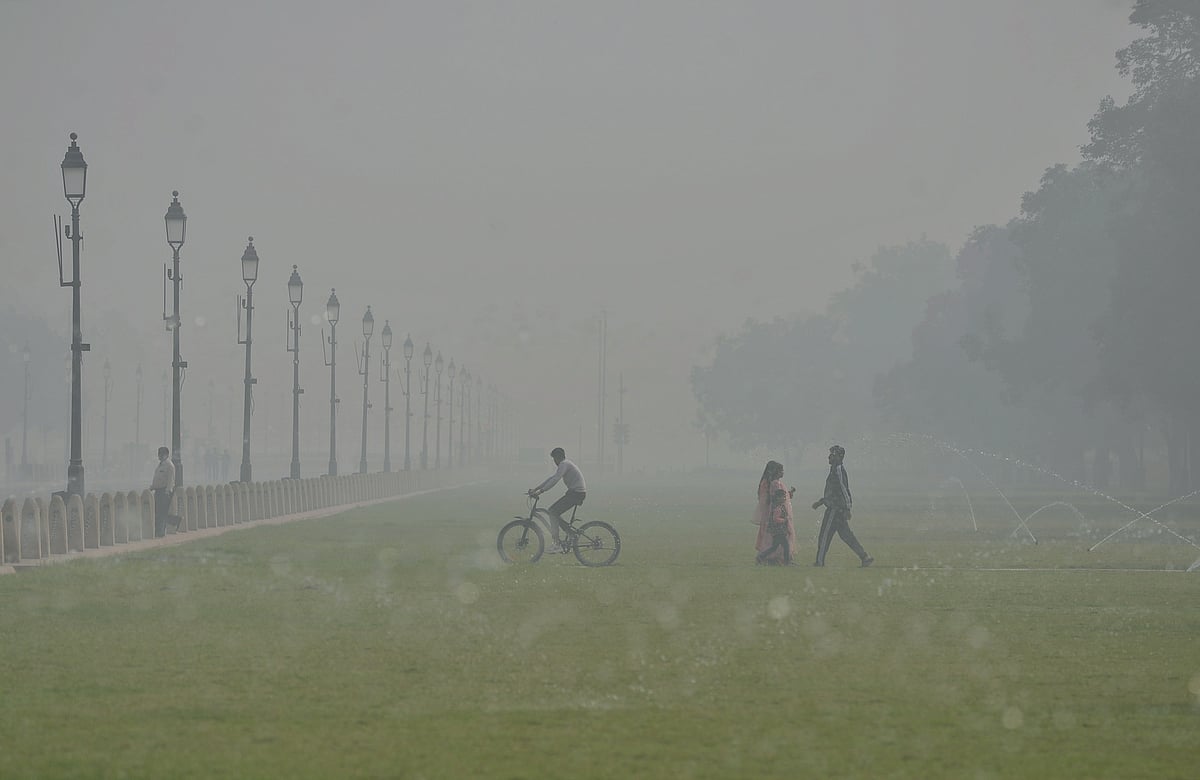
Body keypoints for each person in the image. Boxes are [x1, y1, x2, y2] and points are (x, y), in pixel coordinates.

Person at [811, 445, 873, 567]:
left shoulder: (838, 470)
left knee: (825, 535)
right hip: (838, 509)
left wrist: (848, 508)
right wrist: (821, 502)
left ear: (839, 457)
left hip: (834, 510)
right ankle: (864, 557)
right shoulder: (834, 469)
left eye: (832, 455)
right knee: (847, 536)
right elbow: (834, 491)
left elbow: (844, 489)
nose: (829, 457)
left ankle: (819, 561)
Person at [528, 447, 586, 554]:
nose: (554, 462)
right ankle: (570, 533)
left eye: (554, 459)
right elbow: (551, 478)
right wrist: (536, 489)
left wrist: (541, 491)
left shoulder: (564, 464)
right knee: (553, 512)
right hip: (575, 493)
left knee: (552, 512)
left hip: (576, 494)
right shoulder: (565, 464)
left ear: (557, 458)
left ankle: (557, 544)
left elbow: (555, 479)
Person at [754, 460, 796, 565]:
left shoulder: (774, 483)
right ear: (775, 472)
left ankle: (775, 558)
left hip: (776, 515)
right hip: (778, 516)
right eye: (781, 471)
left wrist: (787, 494)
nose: (783, 472)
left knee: (776, 542)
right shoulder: (775, 483)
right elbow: (776, 498)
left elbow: (778, 496)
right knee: (781, 541)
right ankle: (781, 559)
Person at [150, 446, 176, 538]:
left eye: (162, 454)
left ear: (166, 455)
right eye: (159, 454)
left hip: (164, 492)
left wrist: (168, 492)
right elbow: (158, 479)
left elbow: (170, 480)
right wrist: (152, 487)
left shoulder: (169, 466)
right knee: (157, 512)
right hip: (158, 491)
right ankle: (158, 530)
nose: (160, 456)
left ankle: (161, 532)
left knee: (162, 513)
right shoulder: (160, 465)